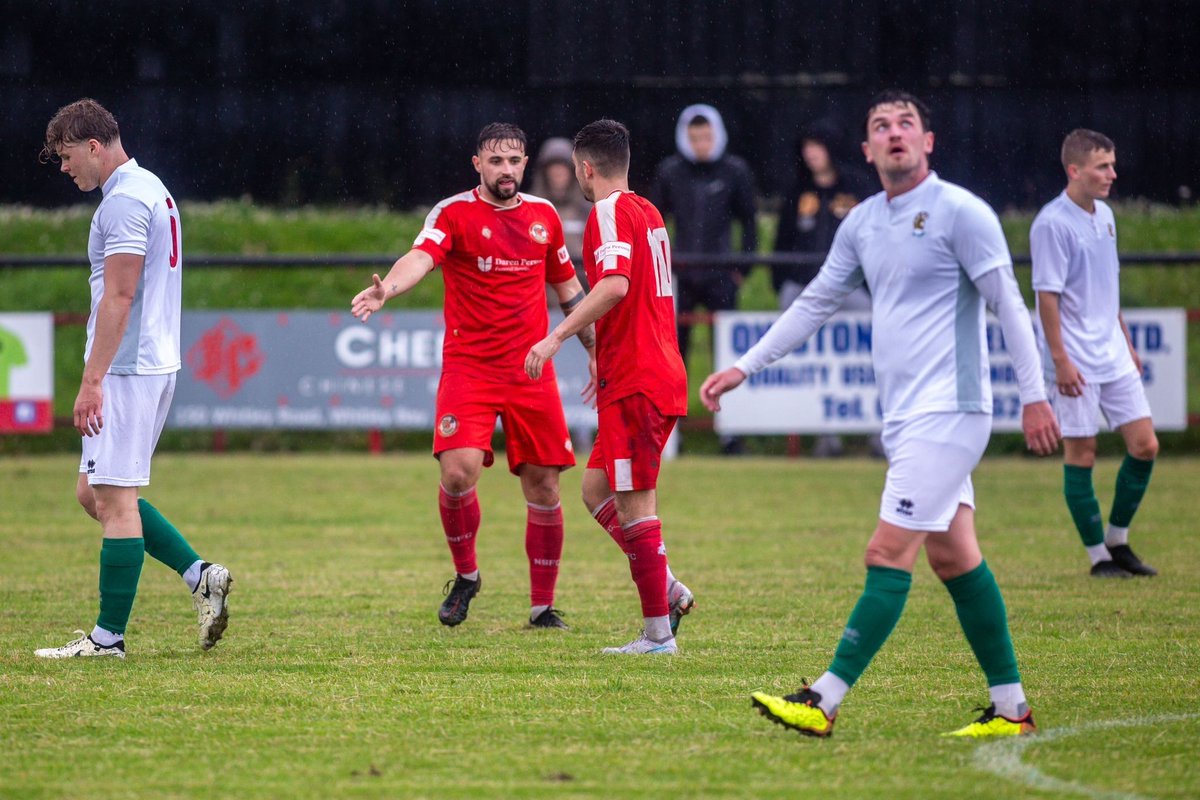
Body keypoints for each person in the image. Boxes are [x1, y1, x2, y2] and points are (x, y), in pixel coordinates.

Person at [701, 92, 1061, 736]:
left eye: (906, 125)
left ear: (929, 141)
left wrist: (1035, 394)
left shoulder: (961, 212)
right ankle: (1013, 710)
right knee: (954, 559)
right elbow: (814, 303)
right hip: (906, 417)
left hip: (950, 410)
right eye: (880, 127)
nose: (894, 134)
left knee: (886, 550)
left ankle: (823, 700)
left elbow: (1008, 303)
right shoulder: (863, 221)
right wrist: (744, 366)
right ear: (866, 151)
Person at [351, 123, 595, 630]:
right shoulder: (454, 213)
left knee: (546, 485)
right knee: (458, 472)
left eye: (514, 161)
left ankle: (541, 608)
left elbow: (568, 288)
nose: (505, 170)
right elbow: (421, 257)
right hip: (471, 367)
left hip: (531, 368)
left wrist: (595, 350)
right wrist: (387, 291)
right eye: (495, 161)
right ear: (477, 164)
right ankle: (466, 576)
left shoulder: (544, 216)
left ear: (524, 163)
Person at [35, 98, 232, 659]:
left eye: (67, 155)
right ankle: (200, 575)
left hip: (125, 368)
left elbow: (121, 295)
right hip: (151, 361)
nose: (65, 167)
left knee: (116, 501)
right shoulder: (154, 188)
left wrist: (92, 379)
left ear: (94, 146)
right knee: (94, 493)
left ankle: (107, 639)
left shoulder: (122, 202)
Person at [526, 119, 695, 654]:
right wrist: (605, 355)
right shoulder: (647, 211)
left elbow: (616, 285)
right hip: (645, 369)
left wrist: (558, 336)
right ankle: (664, 584)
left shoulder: (605, 211)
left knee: (636, 505)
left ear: (585, 168)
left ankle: (657, 635)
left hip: (640, 378)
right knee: (595, 490)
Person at [1031, 129, 1159, 578]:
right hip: (1076, 359)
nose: (1112, 174)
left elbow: (1109, 287)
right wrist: (1061, 360)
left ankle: (1117, 540)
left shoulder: (1104, 214)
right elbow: (1047, 297)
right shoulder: (1051, 223)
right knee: (1081, 453)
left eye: (1112, 164)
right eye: (1103, 166)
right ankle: (1097, 557)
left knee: (1145, 446)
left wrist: (1125, 341)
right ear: (1075, 170)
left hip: (1112, 353)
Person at [773, 129, 878, 458]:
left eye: (817, 145)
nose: (812, 154)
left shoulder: (858, 187)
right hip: (805, 288)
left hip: (850, 287)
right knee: (809, 362)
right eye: (806, 147)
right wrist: (783, 281)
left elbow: (875, 239)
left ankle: (881, 434)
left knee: (877, 348)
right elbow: (781, 241)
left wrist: (871, 282)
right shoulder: (797, 190)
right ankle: (825, 437)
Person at [651, 104, 758, 367]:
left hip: (721, 273)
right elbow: (653, 221)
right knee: (673, 350)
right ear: (684, 137)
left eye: (707, 137)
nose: (701, 145)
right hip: (680, 274)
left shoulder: (735, 171)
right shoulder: (670, 171)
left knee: (725, 352)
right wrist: (662, 268)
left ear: (718, 134)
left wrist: (742, 269)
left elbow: (749, 222)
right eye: (695, 138)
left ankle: (728, 407)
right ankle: (674, 408)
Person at [529, 137, 592, 275]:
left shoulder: (587, 210)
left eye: (563, 167)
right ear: (544, 172)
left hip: (581, 286)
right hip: (543, 284)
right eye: (553, 167)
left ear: (573, 171)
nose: (558, 173)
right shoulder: (530, 208)